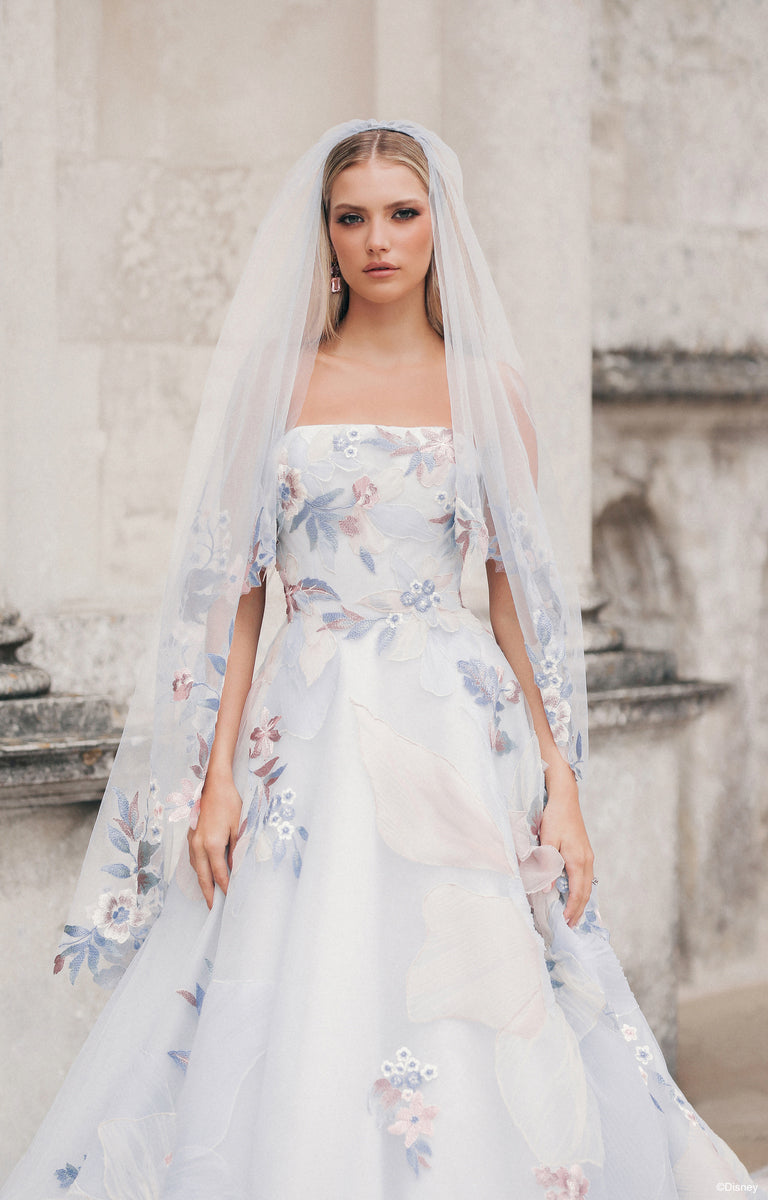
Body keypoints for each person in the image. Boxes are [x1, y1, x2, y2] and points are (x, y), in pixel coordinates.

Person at [1, 120, 762, 1200]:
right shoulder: (282, 380)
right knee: (300, 972)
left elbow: (515, 596)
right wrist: (214, 777)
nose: (378, 239)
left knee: (474, 970)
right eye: (352, 216)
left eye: (402, 213)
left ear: (438, 228)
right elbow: (241, 593)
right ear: (326, 233)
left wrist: (564, 785)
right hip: (300, 734)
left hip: (454, 721)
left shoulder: (485, 389)